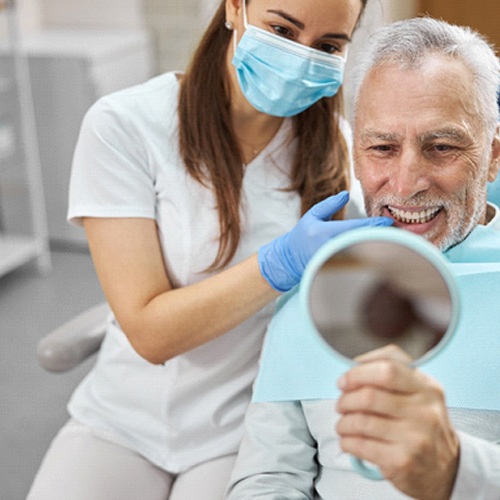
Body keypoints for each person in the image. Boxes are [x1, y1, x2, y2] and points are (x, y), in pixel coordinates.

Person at [27, 1, 395, 499]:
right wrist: (279, 263)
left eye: (328, 47)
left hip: (243, 430)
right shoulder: (126, 125)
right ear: (234, 8)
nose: (301, 56)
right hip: (121, 419)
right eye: (282, 28)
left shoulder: (338, 151)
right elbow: (150, 334)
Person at [226, 17, 500, 500]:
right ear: (356, 154)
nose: (406, 182)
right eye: (382, 148)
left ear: (493, 155)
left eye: (441, 147)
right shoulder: (315, 288)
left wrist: (456, 470)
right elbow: (268, 475)